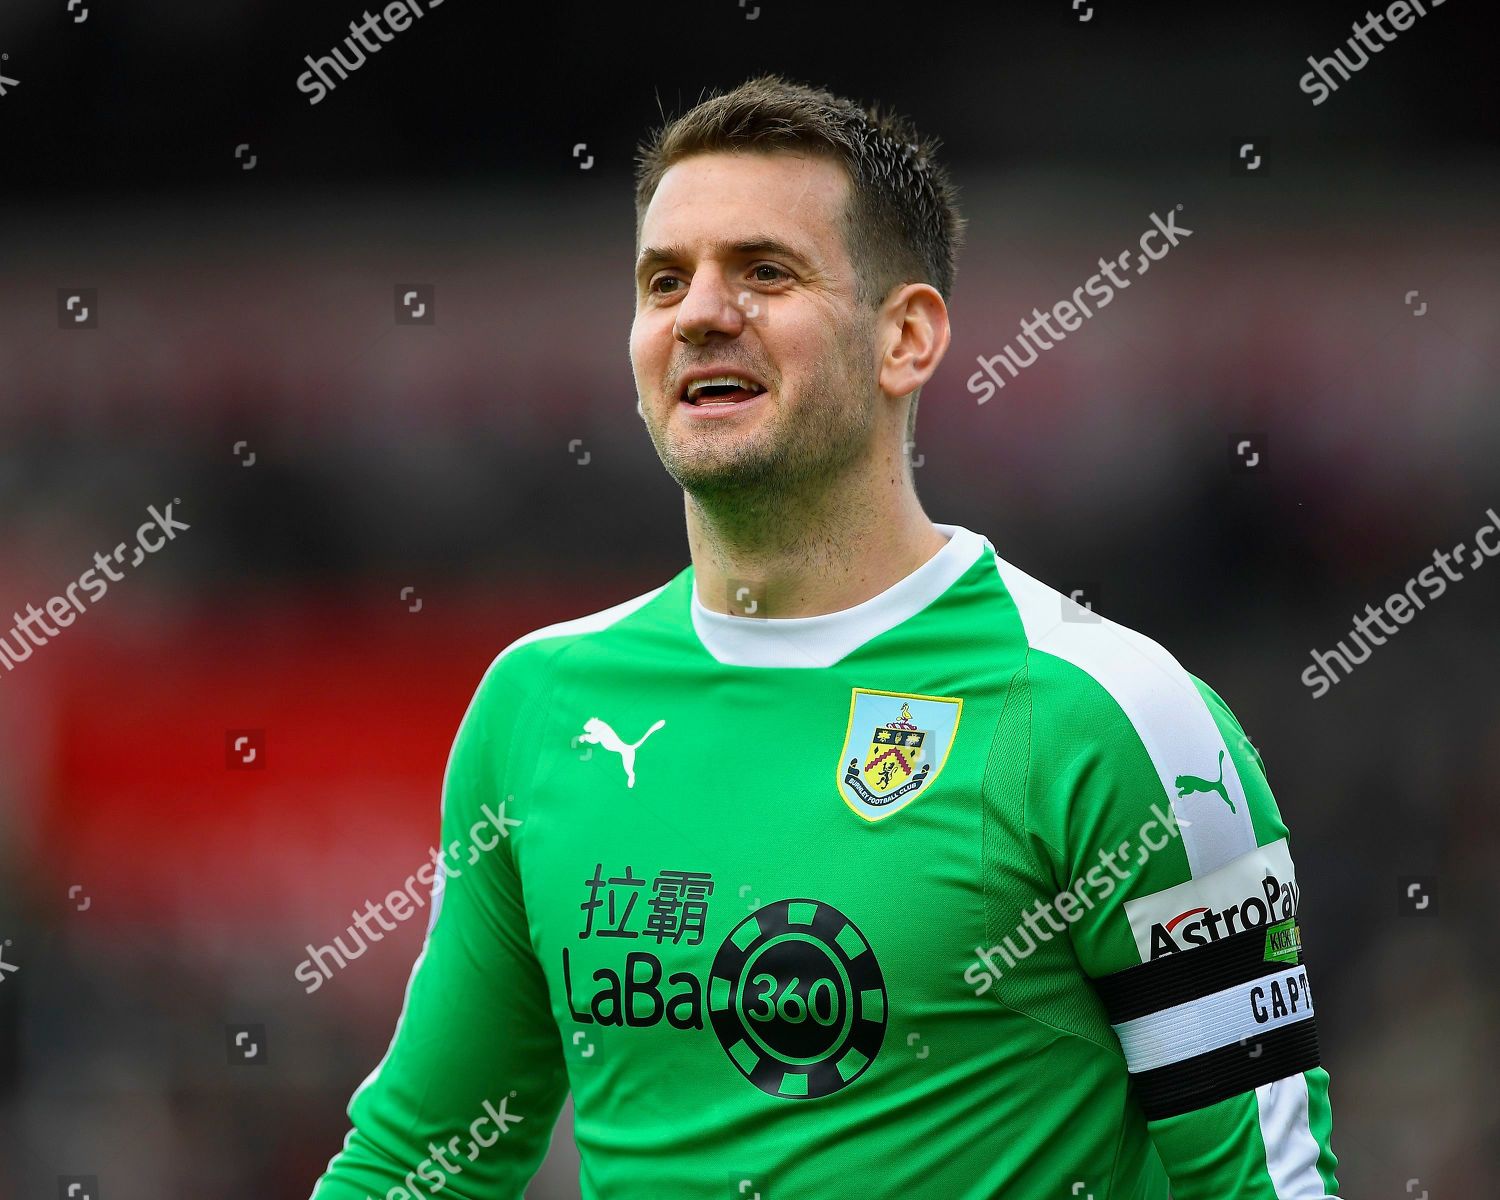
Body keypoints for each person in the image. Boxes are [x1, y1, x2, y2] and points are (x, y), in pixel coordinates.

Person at [310, 73, 1338, 1199]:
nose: (702, 311)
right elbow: (422, 1162)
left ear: (906, 338)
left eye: (765, 271)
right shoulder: (540, 704)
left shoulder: (1113, 718)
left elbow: (1267, 1189)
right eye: (665, 280)